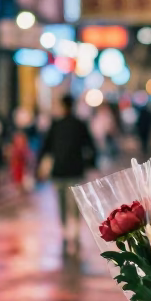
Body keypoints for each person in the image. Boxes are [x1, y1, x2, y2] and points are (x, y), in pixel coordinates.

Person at [38, 93, 97, 253]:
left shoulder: (55, 125)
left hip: (59, 170)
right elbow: (91, 146)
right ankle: (75, 229)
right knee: (76, 201)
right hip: (76, 169)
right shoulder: (80, 124)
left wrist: (38, 165)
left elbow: (46, 147)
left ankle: (65, 229)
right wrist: (91, 163)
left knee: (62, 200)